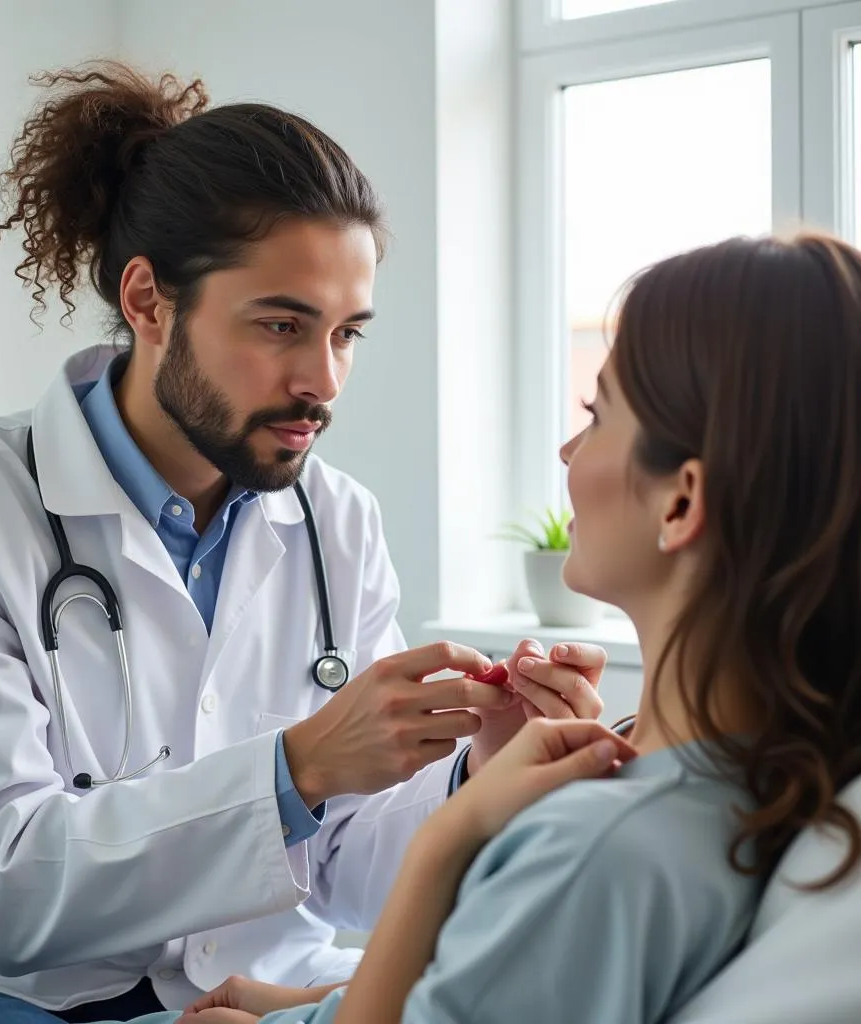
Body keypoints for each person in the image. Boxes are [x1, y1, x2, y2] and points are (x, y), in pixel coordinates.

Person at [0, 63, 607, 1024]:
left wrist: (474, 770)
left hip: (237, 986)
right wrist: (298, 769)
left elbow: (341, 869)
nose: (321, 380)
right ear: (150, 302)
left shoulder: (338, 520)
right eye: (282, 325)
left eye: (347, 334)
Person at [159, 231, 861, 1024]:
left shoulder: (599, 848)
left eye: (597, 417)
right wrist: (303, 1000)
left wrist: (449, 838)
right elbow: (492, 980)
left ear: (680, 504)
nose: (567, 450)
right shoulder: (763, 771)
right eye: (283, 324)